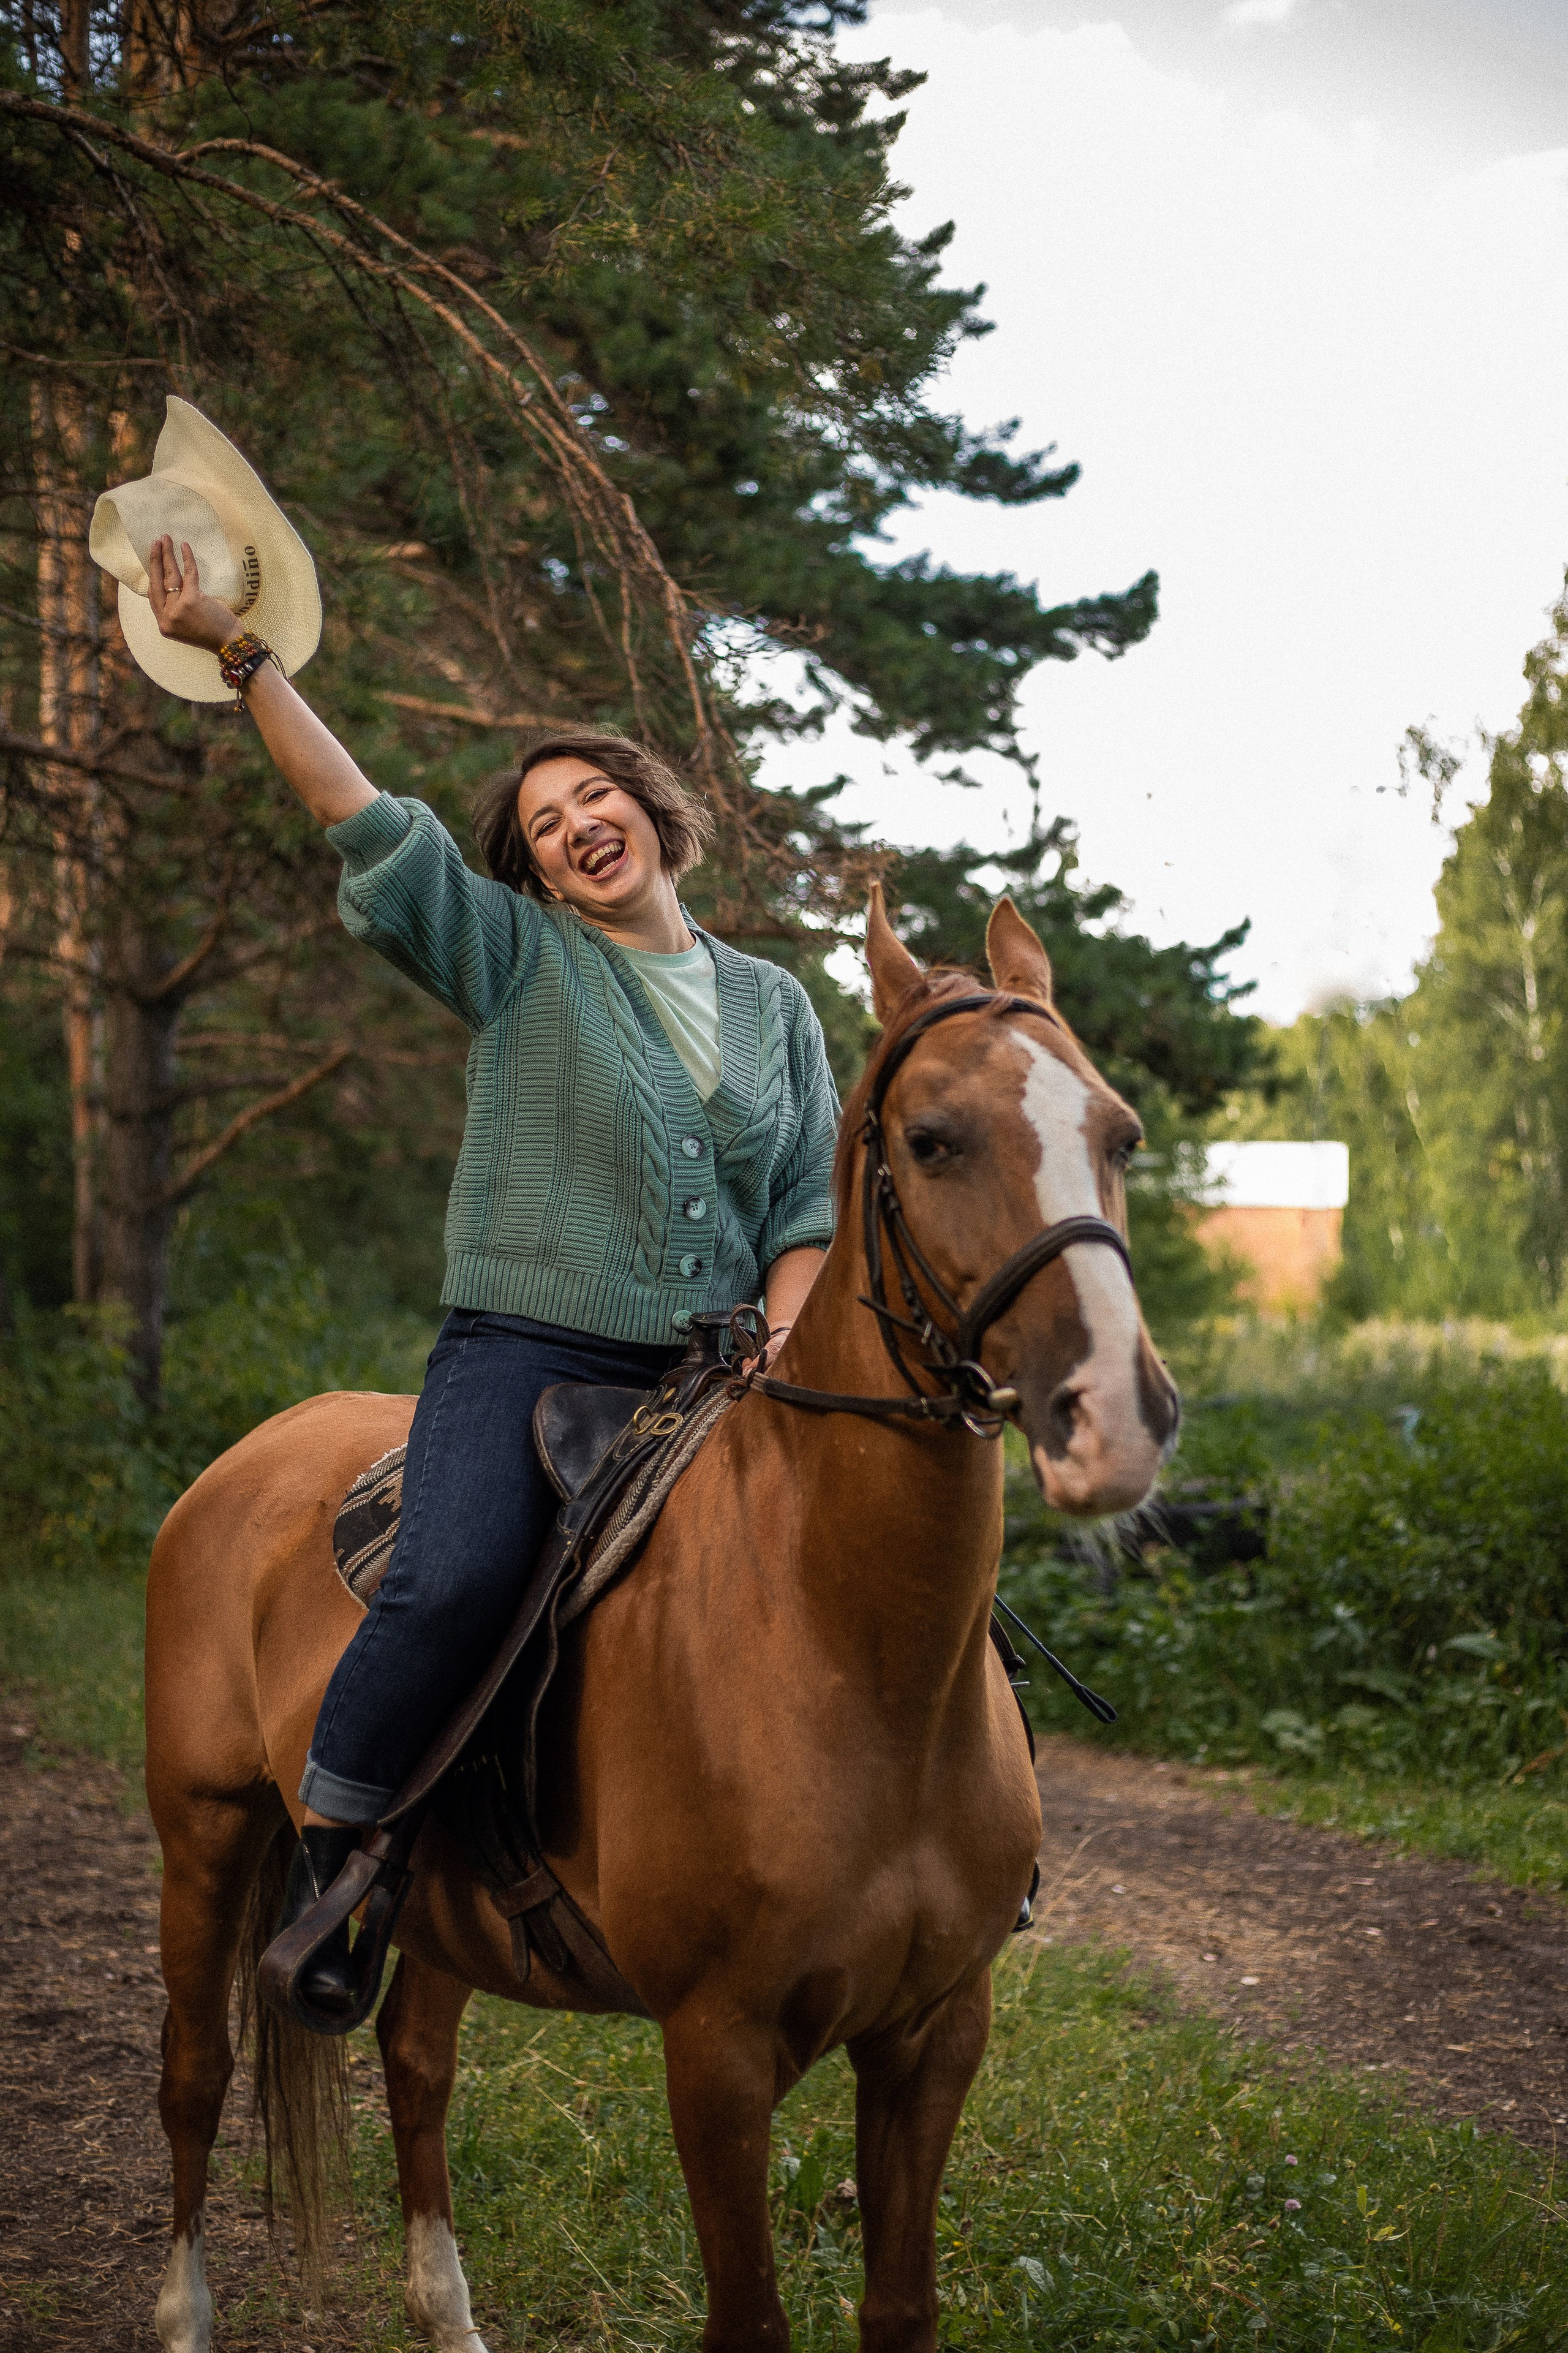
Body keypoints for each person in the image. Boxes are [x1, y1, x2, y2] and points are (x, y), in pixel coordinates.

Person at [146, 535, 839, 2013]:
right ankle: (341, 1858)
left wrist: (785, 1332)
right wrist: (243, 655)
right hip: (526, 1349)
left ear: (652, 814)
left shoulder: (775, 1000)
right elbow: (363, 815)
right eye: (543, 823)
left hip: (714, 1371)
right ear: (528, 870)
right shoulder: (517, 958)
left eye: (597, 795)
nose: (580, 824)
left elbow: (804, 1198)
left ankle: (929, 1847)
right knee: (452, 1576)